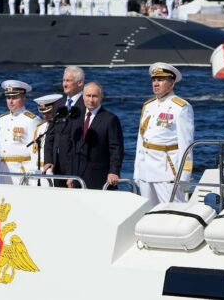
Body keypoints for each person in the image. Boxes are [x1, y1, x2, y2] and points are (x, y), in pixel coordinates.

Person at [133, 62, 194, 205]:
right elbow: (141, 141)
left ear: (172, 83)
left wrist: (183, 177)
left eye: (160, 80)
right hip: (145, 171)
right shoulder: (148, 106)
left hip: (167, 173)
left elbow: (187, 145)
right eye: (154, 80)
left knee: (172, 213)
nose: (156, 83)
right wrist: (137, 172)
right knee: (147, 213)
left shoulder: (181, 107)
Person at [67, 82, 124, 190]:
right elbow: (71, 148)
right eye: (88, 96)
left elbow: (116, 148)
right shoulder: (75, 117)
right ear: (83, 96)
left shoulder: (110, 119)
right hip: (77, 177)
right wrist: (70, 174)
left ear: (101, 97)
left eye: (95, 96)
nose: (91, 100)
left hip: (99, 177)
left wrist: (114, 172)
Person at [0, 80, 42, 185]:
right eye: (8, 98)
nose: (10, 101)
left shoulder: (32, 120)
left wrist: (34, 178)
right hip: (3, 170)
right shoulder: (2, 119)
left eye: (14, 98)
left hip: (21, 170)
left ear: (23, 99)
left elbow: (36, 152)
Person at [44, 66, 86, 188]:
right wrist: (48, 160)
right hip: (57, 164)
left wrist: (74, 170)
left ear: (79, 83)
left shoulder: (85, 105)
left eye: (68, 81)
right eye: (63, 81)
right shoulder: (59, 104)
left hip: (75, 163)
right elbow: (50, 134)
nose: (64, 84)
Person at [28, 94, 63, 186]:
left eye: (48, 112)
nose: (45, 116)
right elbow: (34, 153)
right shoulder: (40, 128)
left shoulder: (61, 127)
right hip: (39, 171)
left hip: (54, 170)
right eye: (43, 113)